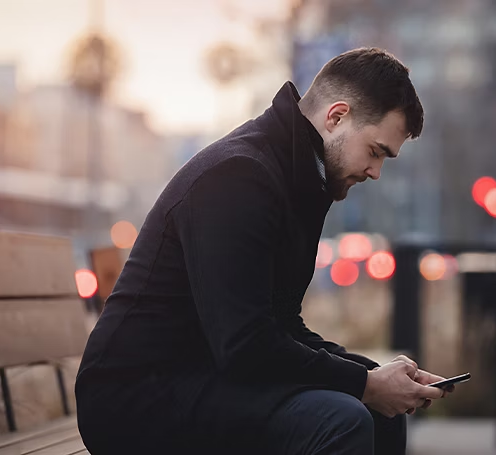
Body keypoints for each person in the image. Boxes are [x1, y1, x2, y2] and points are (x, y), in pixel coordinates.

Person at [75, 47, 452, 455]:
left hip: (201, 378)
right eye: (376, 151)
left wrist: (376, 377)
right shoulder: (238, 177)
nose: (376, 172)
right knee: (343, 421)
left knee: (381, 413)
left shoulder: (298, 179)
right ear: (336, 116)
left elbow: (282, 325)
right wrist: (364, 384)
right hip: (134, 400)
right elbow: (244, 345)